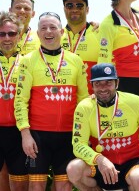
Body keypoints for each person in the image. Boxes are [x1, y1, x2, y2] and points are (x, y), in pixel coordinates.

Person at [66, 63, 139, 191]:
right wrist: (99, 159)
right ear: (92, 85)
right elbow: (78, 144)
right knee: (73, 170)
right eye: (98, 83)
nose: (103, 88)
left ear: (117, 83)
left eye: (108, 82)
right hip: (100, 164)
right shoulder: (84, 107)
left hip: (132, 162)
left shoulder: (134, 102)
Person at [14, 12, 89, 191]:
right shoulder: (27, 61)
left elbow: (84, 101)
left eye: (53, 27)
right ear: (38, 34)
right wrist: (25, 134)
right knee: (37, 185)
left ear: (62, 31)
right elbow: (20, 100)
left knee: (64, 185)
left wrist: (84, 135)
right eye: (43, 28)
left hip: (68, 135)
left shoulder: (76, 61)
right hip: (38, 136)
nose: (48, 31)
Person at [0, 11, 28, 191]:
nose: (7, 38)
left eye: (11, 33)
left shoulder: (28, 62)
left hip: (20, 132)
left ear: (19, 35)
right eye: (2, 34)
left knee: (19, 183)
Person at [61, 0, 101, 94]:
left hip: (92, 100)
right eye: (69, 5)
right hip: (65, 100)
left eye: (79, 5)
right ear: (64, 9)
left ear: (87, 9)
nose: (74, 9)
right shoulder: (56, 36)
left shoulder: (99, 33)